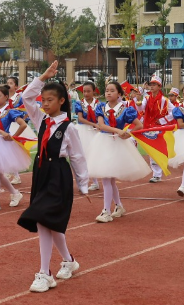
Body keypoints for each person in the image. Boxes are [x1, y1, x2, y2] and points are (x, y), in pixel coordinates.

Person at [18, 61, 88, 293]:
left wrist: (83, 184)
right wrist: (43, 77)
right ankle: (68, 260)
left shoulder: (69, 127)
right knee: (50, 223)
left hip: (58, 174)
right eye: (43, 100)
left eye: (50, 100)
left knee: (43, 220)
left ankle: (44, 273)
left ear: (61, 101)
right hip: (41, 172)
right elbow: (27, 97)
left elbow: (77, 157)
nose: (45, 104)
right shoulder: (41, 119)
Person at [89, 81, 149, 223]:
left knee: (108, 178)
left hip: (117, 145)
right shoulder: (101, 107)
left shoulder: (125, 109)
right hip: (104, 142)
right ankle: (117, 207)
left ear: (119, 94)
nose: (108, 93)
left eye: (112, 90)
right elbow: (101, 125)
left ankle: (107, 211)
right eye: (107, 90)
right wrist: (117, 130)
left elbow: (139, 125)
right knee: (108, 178)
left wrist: (128, 134)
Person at [72, 82, 101, 192]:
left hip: (95, 131)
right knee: (82, 157)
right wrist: (94, 124)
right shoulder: (80, 103)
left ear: (94, 91)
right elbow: (80, 118)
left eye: (88, 91)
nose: (86, 93)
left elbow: (100, 117)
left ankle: (95, 181)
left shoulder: (98, 104)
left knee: (93, 156)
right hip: (83, 130)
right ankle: (85, 182)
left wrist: (99, 125)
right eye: (84, 91)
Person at [142, 76, 171, 183]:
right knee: (151, 151)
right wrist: (138, 100)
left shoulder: (164, 100)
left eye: (154, 84)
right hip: (148, 126)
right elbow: (141, 108)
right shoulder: (146, 98)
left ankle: (157, 174)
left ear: (159, 86)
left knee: (157, 149)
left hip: (159, 127)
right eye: (151, 84)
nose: (152, 86)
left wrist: (163, 120)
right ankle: (156, 173)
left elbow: (175, 112)